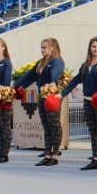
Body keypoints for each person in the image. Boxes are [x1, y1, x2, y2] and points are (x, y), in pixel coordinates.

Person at [60, 37, 97, 170]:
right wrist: (62, 93)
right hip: (87, 101)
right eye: (93, 46)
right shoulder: (86, 64)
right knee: (93, 130)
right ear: (90, 48)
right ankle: (95, 159)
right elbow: (76, 80)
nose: (96, 49)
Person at [13, 38, 65, 166]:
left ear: (52, 48)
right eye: (41, 47)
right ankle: (47, 154)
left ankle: (55, 154)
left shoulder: (57, 61)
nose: (42, 50)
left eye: (45, 47)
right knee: (46, 125)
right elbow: (29, 76)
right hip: (41, 95)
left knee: (54, 125)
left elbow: (55, 74)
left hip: (51, 96)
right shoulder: (41, 62)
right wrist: (14, 86)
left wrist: (53, 83)